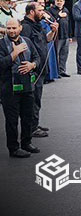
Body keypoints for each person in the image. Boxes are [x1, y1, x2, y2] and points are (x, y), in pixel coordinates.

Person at [0, 18, 41, 158]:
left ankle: (26, 143)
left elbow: (37, 57)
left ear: (20, 28)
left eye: (14, 28)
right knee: (11, 121)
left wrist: (32, 65)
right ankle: (13, 148)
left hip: (28, 86)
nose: (11, 31)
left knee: (27, 117)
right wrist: (14, 53)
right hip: (9, 89)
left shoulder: (27, 41)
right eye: (8, 28)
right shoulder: (1, 44)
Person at [21, 2, 57, 138]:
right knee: (32, 98)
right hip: (33, 69)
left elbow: (46, 40)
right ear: (31, 12)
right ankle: (31, 127)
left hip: (41, 67)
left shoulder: (38, 25)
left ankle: (34, 123)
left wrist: (52, 31)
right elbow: (25, 50)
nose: (43, 12)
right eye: (40, 10)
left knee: (37, 98)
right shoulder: (25, 27)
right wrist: (31, 65)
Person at [35, 0, 59, 84]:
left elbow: (53, 20)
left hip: (50, 36)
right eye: (39, 2)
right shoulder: (36, 14)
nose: (42, 4)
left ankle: (51, 75)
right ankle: (45, 77)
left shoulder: (47, 12)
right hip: (42, 36)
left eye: (43, 3)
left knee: (51, 57)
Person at [48, 0, 70, 77]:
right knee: (56, 54)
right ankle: (56, 71)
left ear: (64, 2)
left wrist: (70, 36)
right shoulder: (50, 10)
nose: (59, 2)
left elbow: (69, 23)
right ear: (54, 1)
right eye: (57, 0)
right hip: (57, 36)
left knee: (64, 54)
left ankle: (62, 70)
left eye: (61, 1)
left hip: (65, 36)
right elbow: (51, 21)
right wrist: (58, 16)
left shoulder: (66, 10)